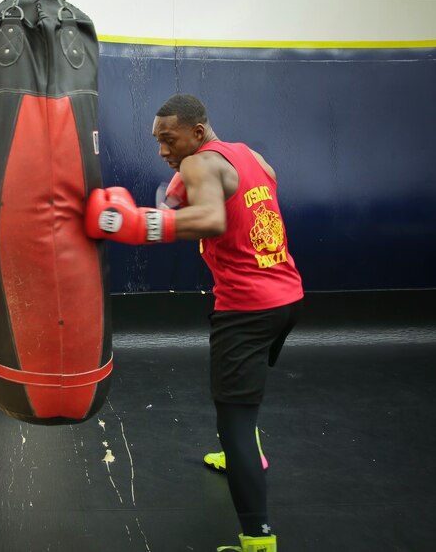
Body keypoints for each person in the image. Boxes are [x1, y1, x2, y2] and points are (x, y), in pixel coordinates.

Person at [85, 93, 303, 552]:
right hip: (287, 298)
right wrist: (177, 202)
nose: (162, 151)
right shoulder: (248, 156)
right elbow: (256, 192)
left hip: (246, 311)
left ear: (197, 134)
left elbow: (211, 217)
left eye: (169, 140)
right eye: (157, 142)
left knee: (235, 418)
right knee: (245, 398)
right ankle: (242, 453)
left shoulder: (198, 164)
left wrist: (139, 225)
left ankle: (258, 541)